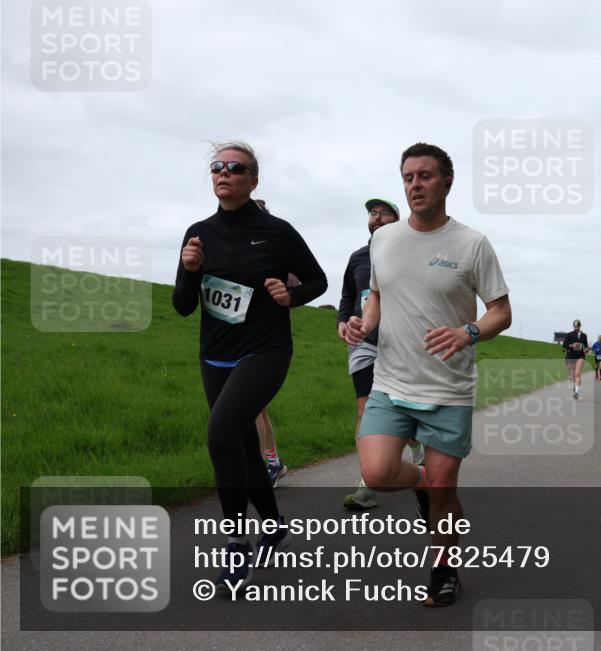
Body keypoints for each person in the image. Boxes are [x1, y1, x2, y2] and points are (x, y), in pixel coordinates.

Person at [344, 142, 511, 607]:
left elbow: (501, 311)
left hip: (448, 388)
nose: (415, 185)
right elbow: (376, 295)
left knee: (444, 493)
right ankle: (418, 479)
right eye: (408, 178)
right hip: (391, 382)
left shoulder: (472, 244)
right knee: (376, 473)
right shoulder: (384, 239)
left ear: (447, 182)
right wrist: (364, 324)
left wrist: (469, 332)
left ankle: (443, 568)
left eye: (425, 176)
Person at [172, 141, 327, 591]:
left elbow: (316, 279)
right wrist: (188, 270)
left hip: (266, 351)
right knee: (241, 447)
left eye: (235, 168)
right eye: (217, 167)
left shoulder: (276, 231)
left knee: (221, 433)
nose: (224, 173)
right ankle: (274, 524)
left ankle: (237, 546)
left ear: (253, 180)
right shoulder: (198, 233)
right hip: (214, 354)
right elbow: (182, 306)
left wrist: (291, 295)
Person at [338, 197, 424, 510]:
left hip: (402, 344)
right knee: (365, 409)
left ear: (397, 221)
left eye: (384, 213)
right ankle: (366, 484)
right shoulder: (358, 257)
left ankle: (416, 446)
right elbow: (347, 296)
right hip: (365, 342)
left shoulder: (411, 256)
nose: (376, 218)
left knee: (401, 408)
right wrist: (342, 322)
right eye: (372, 214)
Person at [251, 199, 297, 488]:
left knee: (254, 408)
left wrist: (284, 294)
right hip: (238, 339)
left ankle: (265, 466)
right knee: (258, 409)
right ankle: (272, 462)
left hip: (265, 338)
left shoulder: (275, 248)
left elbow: (299, 284)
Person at [562, 320, 589, 399]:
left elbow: (586, 346)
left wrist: (586, 349)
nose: (576, 328)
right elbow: (564, 345)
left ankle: (576, 392)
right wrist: (571, 345)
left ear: (580, 326)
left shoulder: (584, 335)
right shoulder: (569, 334)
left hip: (581, 356)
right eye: (575, 327)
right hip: (571, 356)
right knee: (574, 375)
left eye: (577, 327)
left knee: (577, 373)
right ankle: (575, 384)